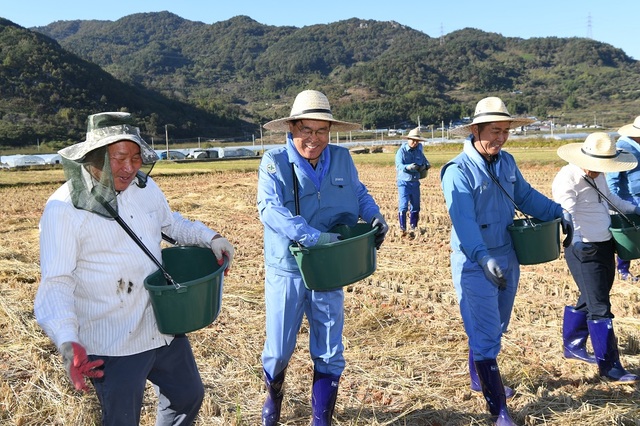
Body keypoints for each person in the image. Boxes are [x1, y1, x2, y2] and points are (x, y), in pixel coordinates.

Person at [34, 112, 235, 426]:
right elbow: (56, 283)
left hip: (161, 322)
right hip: (113, 340)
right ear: (93, 157)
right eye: (118, 158)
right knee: (122, 419)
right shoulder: (63, 209)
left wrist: (210, 238)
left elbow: (170, 224)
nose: (129, 168)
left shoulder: (144, 187)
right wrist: (67, 339)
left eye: (136, 157)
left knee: (187, 395)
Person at [257, 89, 388, 426]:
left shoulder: (342, 158)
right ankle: (272, 402)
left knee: (330, 350)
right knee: (279, 349)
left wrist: (374, 216)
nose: (313, 139)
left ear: (330, 131)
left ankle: (321, 420)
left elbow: (358, 193)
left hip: (330, 269)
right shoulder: (274, 162)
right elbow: (270, 210)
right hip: (288, 268)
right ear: (291, 130)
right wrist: (314, 237)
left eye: (321, 131)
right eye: (306, 130)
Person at [441, 97, 572, 426]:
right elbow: (464, 222)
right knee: (486, 333)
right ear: (475, 130)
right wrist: (482, 257)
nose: (500, 137)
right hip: (475, 261)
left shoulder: (506, 162)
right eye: (494, 131)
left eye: (505, 131)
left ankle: (478, 378)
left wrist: (558, 211)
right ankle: (498, 409)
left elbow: (525, 196)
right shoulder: (458, 171)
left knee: (497, 326)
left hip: (507, 254)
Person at [553, 132, 640, 383]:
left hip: (604, 244)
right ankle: (610, 366)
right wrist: (578, 244)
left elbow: (609, 199)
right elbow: (566, 212)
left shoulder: (598, 174)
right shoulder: (567, 177)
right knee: (601, 308)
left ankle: (573, 346)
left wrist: (635, 210)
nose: (599, 171)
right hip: (583, 249)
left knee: (593, 296)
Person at [606, 115, 640, 281]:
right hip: (628, 199)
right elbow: (613, 178)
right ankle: (623, 270)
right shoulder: (622, 147)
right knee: (628, 236)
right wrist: (614, 204)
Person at [395, 127, 430, 236]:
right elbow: (398, 165)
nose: (414, 143)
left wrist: (425, 166)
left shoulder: (419, 152)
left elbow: (426, 162)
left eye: (417, 141)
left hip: (415, 182)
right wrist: (408, 167)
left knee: (416, 206)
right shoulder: (401, 151)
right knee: (404, 205)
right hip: (404, 182)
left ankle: (413, 228)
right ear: (408, 139)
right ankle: (402, 229)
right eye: (413, 140)